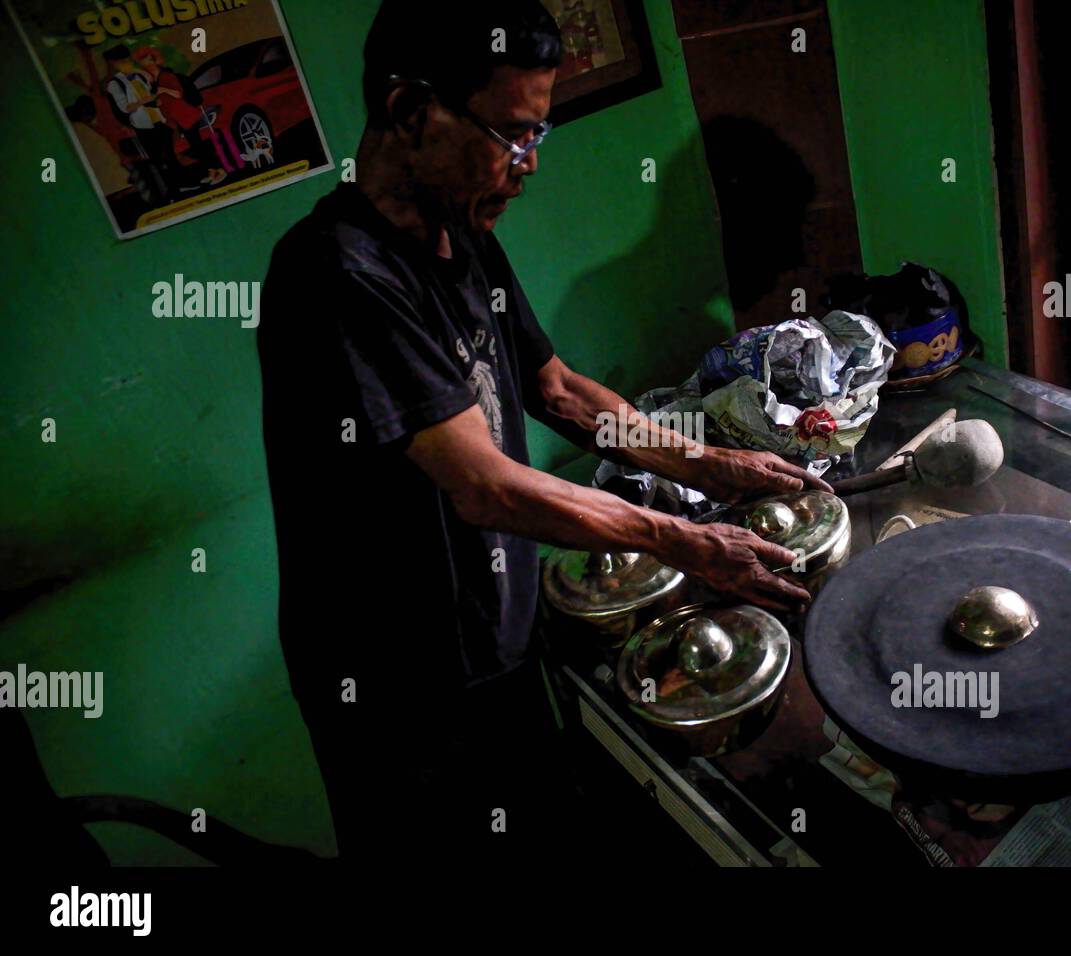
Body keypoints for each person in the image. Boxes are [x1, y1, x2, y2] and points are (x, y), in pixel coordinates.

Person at [257, 0, 827, 864]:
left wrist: (717, 464)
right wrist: (687, 542)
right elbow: (480, 483)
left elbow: (557, 391)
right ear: (412, 113)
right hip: (397, 686)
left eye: (539, 138)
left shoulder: (462, 232)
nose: (527, 166)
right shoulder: (335, 275)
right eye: (512, 136)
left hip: (496, 636)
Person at [132, 46, 226, 187]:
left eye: (147, 60)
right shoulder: (155, 82)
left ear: (154, 61)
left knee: (198, 146)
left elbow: (178, 94)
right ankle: (212, 172)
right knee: (196, 147)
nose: (146, 65)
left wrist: (162, 90)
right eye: (143, 62)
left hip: (186, 116)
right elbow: (162, 101)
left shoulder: (167, 77)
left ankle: (220, 171)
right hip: (176, 119)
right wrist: (149, 102)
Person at [103, 45, 177, 197]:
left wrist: (155, 102)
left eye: (127, 59)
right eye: (121, 61)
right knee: (157, 162)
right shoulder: (114, 85)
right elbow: (125, 108)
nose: (126, 62)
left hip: (158, 121)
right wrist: (144, 101)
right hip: (143, 126)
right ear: (114, 63)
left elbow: (151, 93)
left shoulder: (139, 76)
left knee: (171, 157)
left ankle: (178, 188)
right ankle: (168, 193)